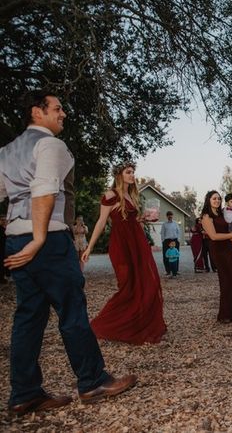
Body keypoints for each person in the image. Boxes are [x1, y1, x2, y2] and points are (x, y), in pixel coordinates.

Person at [0, 90, 135, 415]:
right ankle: (92, 381)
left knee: (28, 315)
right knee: (72, 308)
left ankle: (25, 393)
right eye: (57, 108)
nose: (63, 114)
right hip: (45, 240)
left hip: (16, 237)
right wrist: (38, 238)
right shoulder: (50, 145)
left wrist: (17, 232)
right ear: (38, 112)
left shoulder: (6, 151)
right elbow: (45, 189)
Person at [82, 163, 167, 344]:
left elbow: (131, 220)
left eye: (133, 172)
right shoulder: (110, 195)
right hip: (122, 246)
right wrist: (89, 247)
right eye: (128, 172)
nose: (132, 175)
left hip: (138, 244)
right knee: (128, 287)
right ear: (119, 175)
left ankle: (139, 325)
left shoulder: (131, 195)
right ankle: (103, 326)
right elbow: (101, 222)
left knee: (146, 283)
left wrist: (143, 219)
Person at [200, 191, 232, 322]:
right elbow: (213, 236)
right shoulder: (206, 216)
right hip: (218, 250)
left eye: (219, 198)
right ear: (208, 200)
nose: (217, 201)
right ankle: (225, 314)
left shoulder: (221, 213)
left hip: (229, 249)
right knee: (225, 280)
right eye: (214, 198)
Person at [160, 211, 180, 277]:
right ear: (167, 216)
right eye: (168, 215)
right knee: (166, 256)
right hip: (167, 241)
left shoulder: (175, 223)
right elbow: (162, 233)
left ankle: (175, 271)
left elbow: (178, 231)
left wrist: (178, 240)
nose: (170, 216)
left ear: (172, 215)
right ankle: (168, 271)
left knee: (176, 255)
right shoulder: (164, 224)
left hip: (175, 240)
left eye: (171, 215)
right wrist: (163, 241)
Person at [0, 215, 8, 283]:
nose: (3, 221)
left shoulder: (3, 229)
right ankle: (2, 278)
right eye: (2, 220)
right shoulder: (2, 229)